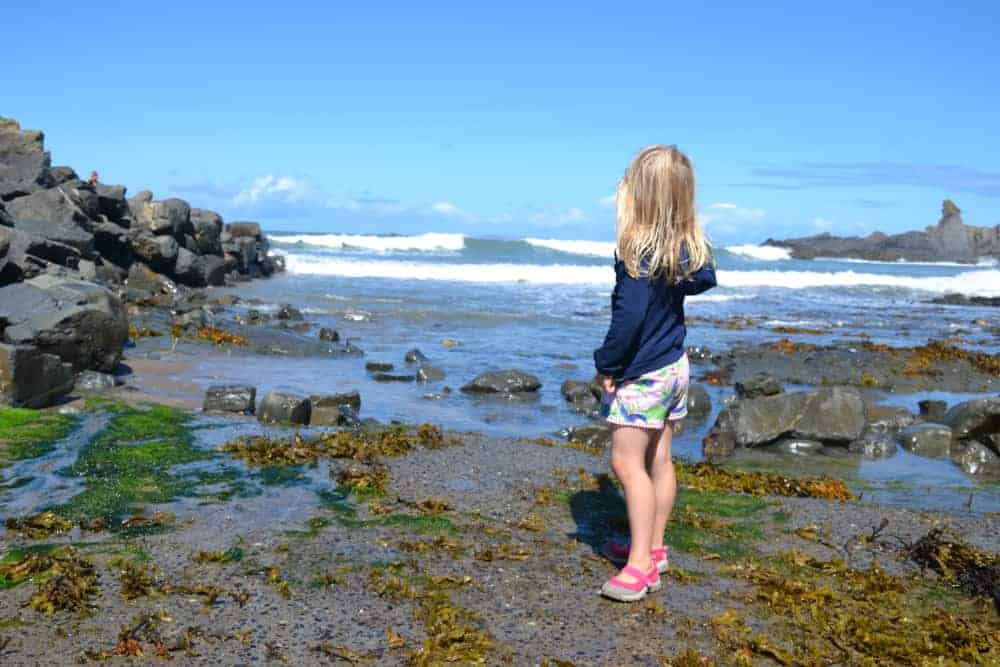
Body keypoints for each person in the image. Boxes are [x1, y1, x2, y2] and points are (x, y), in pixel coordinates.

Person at [594, 145, 716, 602]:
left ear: (637, 195)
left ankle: (639, 566)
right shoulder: (682, 251)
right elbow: (706, 279)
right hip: (673, 366)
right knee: (659, 460)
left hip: (643, 373)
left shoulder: (637, 253)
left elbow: (628, 320)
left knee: (626, 463)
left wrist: (607, 364)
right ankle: (654, 547)